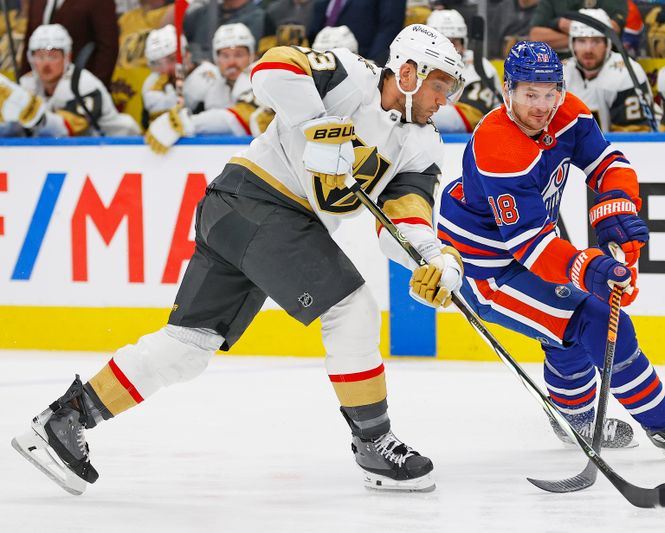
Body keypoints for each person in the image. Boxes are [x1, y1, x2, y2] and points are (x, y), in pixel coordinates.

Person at [12, 23, 466, 496]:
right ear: (408, 72)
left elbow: (404, 221)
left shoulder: (422, 144)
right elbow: (269, 69)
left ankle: (64, 421)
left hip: (237, 212)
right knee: (351, 308)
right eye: (439, 85)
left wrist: (432, 261)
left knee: (186, 347)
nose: (444, 99)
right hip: (258, 201)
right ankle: (375, 442)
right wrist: (318, 128)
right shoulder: (353, 74)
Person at [437, 40, 665, 457]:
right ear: (508, 91)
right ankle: (664, 426)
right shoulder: (498, 146)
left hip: (524, 247)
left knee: (565, 332)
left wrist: (615, 207)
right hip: (486, 268)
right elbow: (531, 248)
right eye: (529, 94)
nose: (541, 106)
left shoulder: (568, 112)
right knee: (593, 318)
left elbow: (609, 163)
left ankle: (572, 419)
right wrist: (589, 269)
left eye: (549, 92)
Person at [144, 23, 274, 152]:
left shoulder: (261, 76)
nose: (232, 62)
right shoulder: (218, 86)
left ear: (251, 56)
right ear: (216, 58)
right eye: (225, 56)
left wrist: (186, 122)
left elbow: (238, 118)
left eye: (239, 55)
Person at [0, 24, 140, 137]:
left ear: (67, 57)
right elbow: (15, 131)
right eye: (40, 57)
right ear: (31, 59)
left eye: (52, 56)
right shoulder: (27, 85)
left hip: (119, 150)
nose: (45, 64)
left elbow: (70, 129)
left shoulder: (84, 85)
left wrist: (35, 116)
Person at [562, 8, 653, 132]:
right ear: (572, 44)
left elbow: (633, 137)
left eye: (596, 41)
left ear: (607, 44)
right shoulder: (561, 73)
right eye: (581, 41)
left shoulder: (626, 72)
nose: (588, 49)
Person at [426, 9, 502, 133]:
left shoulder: (479, 67)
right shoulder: (417, 65)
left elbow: (471, 117)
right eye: (442, 42)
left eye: (454, 42)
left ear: (463, 43)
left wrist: (414, 113)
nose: (448, 49)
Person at [21, 0, 120, 88]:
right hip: (41, 92)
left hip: (81, 89)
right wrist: (24, 86)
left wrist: (91, 88)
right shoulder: (36, 2)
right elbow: (28, 44)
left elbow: (108, 48)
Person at [140, 24, 220, 127]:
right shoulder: (151, 84)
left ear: (187, 55)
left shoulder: (209, 76)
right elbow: (145, 129)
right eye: (157, 63)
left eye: (172, 59)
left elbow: (214, 126)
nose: (166, 69)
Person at [528, 0, 627, 53]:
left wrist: (572, 29)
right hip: (560, 66)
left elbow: (613, 29)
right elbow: (536, 36)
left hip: (602, 66)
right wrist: (590, 36)